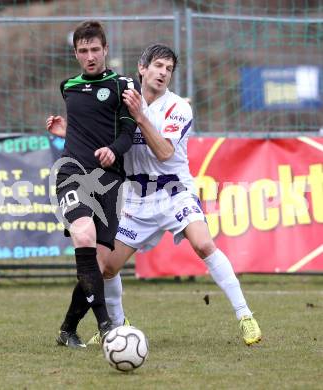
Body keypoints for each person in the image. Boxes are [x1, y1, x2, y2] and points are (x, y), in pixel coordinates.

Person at [49, 44, 262, 347]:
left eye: (169, 69)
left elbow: (164, 152)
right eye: (158, 66)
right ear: (142, 68)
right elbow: (98, 138)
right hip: (136, 200)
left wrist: (141, 116)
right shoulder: (120, 100)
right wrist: (68, 131)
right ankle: (119, 327)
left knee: (203, 244)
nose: (163, 73)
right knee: (107, 265)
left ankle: (245, 316)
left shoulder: (178, 108)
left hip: (175, 193)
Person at [46, 20, 140, 349]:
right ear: (75, 53)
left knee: (97, 264)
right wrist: (66, 132)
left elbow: (128, 133)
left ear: (106, 50)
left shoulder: (124, 85)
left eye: (95, 50)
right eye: (83, 51)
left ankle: (68, 329)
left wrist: (113, 151)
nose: (90, 56)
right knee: (82, 234)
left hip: (108, 183)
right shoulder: (68, 85)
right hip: (71, 173)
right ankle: (108, 326)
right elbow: (84, 129)